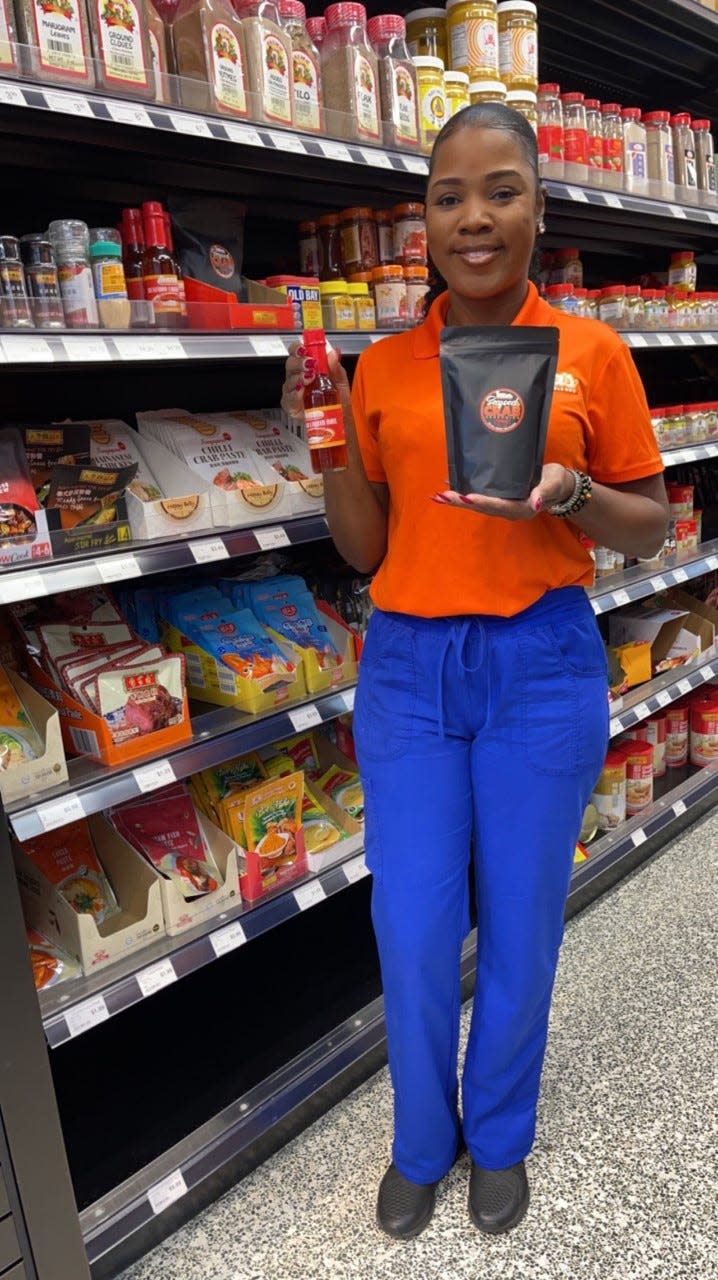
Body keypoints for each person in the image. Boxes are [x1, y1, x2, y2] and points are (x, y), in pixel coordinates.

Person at [281, 103, 668, 1242]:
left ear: (538, 207)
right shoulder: (386, 368)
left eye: (500, 189)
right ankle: (420, 1138)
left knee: (523, 917)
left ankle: (497, 1132)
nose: (474, 216)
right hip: (406, 666)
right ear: (425, 223)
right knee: (410, 918)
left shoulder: (591, 352)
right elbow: (361, 547)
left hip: (539, 660)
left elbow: (647, 526)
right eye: (448, 195)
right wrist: (320, 444)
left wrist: (574, 494)